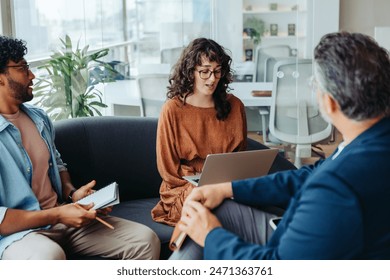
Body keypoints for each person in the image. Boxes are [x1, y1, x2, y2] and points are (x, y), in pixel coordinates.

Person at [170, 31, 390, 259]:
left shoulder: (334, 188)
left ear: (330, 102)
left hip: (291, 248)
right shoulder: (370, 141)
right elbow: (310, 175)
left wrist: (210, 235)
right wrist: (228, 189)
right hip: (317, 238)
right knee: (214, 206)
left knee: (201, 225)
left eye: (314, 85)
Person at [0, 35, 160, 260]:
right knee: (48, 257)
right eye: (23, 68)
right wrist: (57, 214)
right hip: (19, 235)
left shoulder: (38, 118)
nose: (32, 75)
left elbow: (56, 162)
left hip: (62, 218)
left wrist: (73, 193)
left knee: (145, 241)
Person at [151, 38, 247, 226]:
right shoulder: (172, 110)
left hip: (224, 184)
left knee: (251, 203)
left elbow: (241, 159)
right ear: (190, 72)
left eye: (217, 71)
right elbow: (168, 171)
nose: (212, 79)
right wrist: (201, 185)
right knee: (221, 210)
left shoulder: (235, 106)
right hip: (184, 189)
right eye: (204, 72)